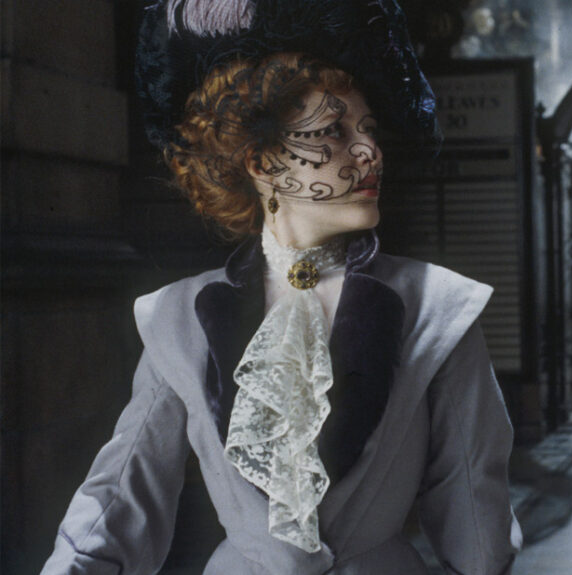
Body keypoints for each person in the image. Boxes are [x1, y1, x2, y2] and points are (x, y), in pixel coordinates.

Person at [40, 1, 522, 573]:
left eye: (369, 129)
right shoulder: (179, 317)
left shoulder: (439, 307)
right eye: (332, 131)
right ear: (260, 161)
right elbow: (120, 496)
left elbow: (475, 511)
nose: (369, 151)